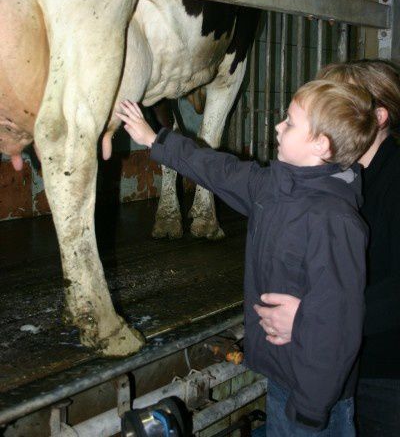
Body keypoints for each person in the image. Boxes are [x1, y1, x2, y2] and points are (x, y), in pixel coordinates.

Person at [117, 79, 378, 436]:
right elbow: (217, 169)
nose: (277, 126)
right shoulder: (273, 187)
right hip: (282, 376)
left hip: (315, 400)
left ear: (320, 144)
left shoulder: (334, 220)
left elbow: (338, 325)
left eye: (289, 122)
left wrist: (311, 412)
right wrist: (155, 140)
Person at [255, 60, 400, 436]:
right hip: (338, 362)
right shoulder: (337, 176)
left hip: (385, 374)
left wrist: (311, 319)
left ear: (378, 117)